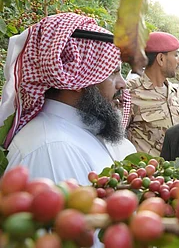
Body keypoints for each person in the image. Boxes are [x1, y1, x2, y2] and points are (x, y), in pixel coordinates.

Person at [0, 13, 136, 185]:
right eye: (113, 73)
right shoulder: (53, 148)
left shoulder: (75, 133)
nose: (122, 84)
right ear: (78, 78)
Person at [126, 32, 179, 156]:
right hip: (146, 173)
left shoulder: (177, 93)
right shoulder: (129, 93)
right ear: (161, 59)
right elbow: (116, 140)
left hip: (176, 173)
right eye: (176, 55)